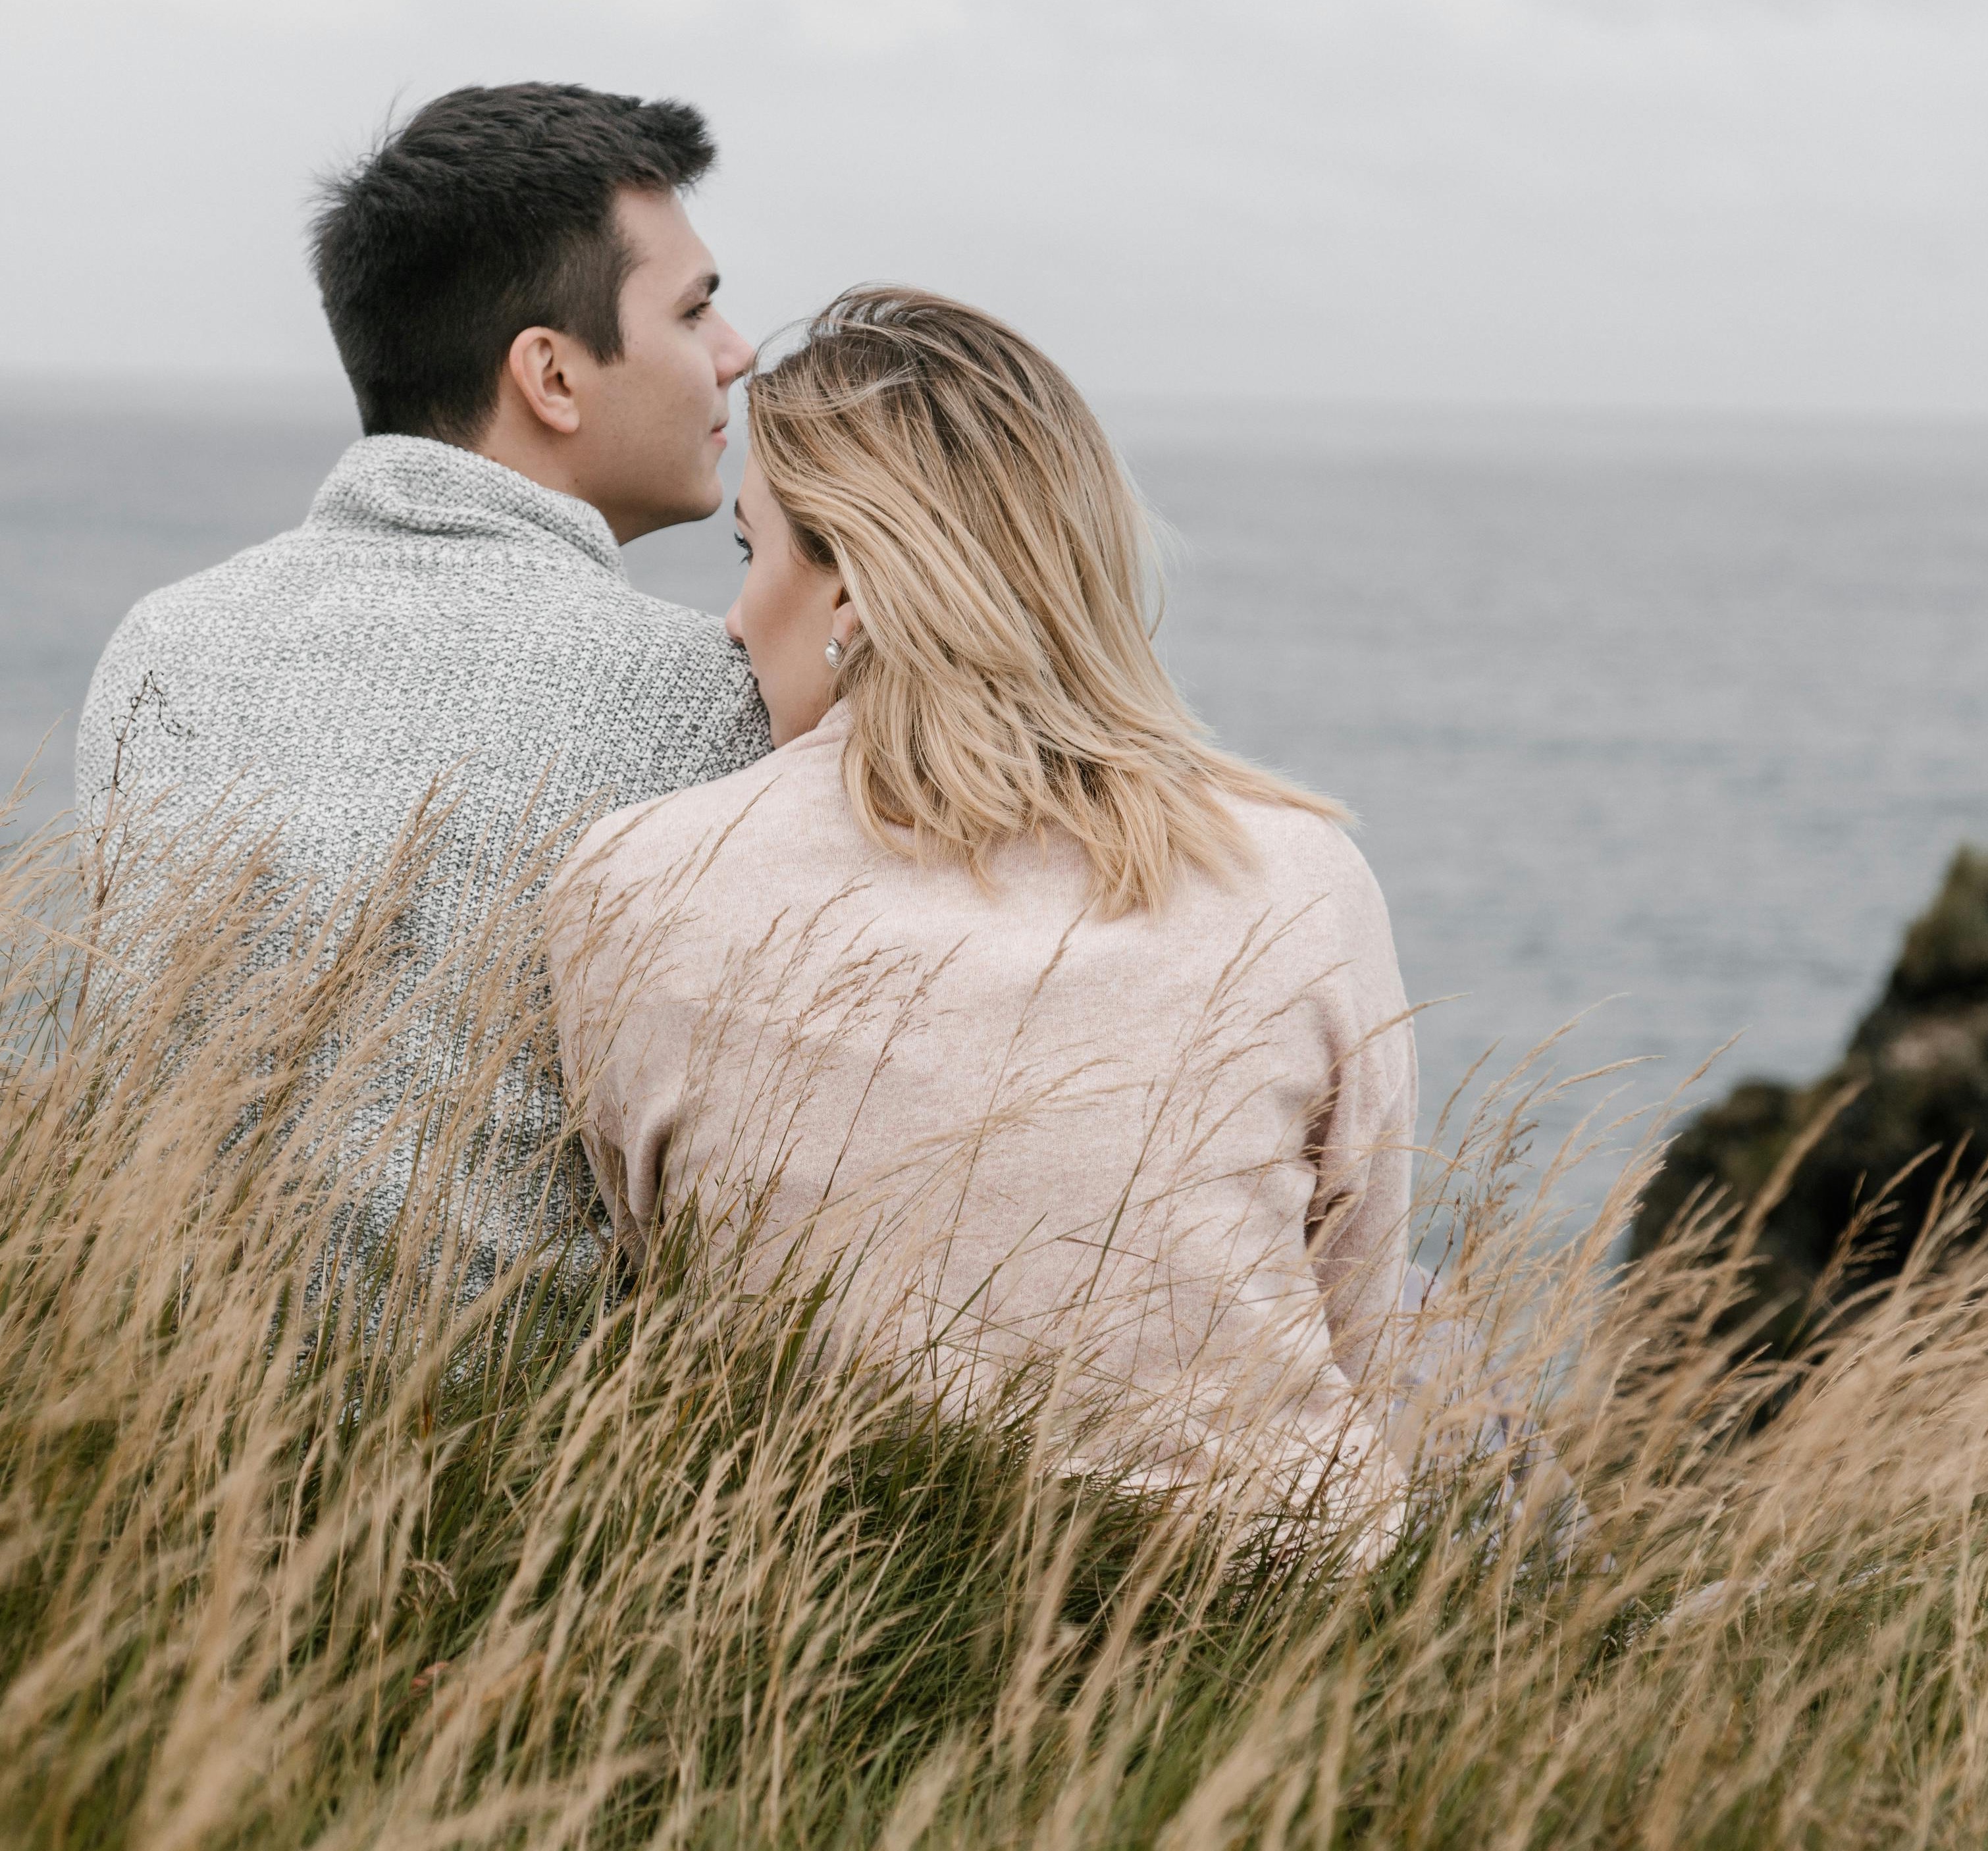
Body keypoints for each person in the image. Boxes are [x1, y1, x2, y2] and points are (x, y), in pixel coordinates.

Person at [544, 288, 1420, 1524]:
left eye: (755, 555)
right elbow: (1355, 1315)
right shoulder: (1297, 875)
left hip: (832, 1613)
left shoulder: (635, 880)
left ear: (850, 592)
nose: (736, 622)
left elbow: (657, 1274)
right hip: (1277, 1623)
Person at [76, 83, 771, 1295]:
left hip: (141, 1405)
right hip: (516, 1453)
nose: (736, 351)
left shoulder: (163, 646)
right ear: (551, 376)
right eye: (696, 309)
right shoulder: (703, 698)